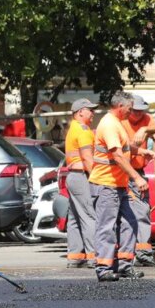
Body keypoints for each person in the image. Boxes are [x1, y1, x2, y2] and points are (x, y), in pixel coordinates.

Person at [90, 92, 150, 282]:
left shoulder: (117, 124)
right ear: (120, 107)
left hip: (118, 184)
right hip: (106, 184)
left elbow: (124, 147)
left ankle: (124, 265)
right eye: (130, 109)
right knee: (106, 227)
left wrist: (140, 151)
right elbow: (116, 155)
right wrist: (136, 177)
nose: (131, 113)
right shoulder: (109, 124)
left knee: (130, 222)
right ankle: (103, 267)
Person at [122, 93, 155, 266]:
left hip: (138, 171)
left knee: (142, 210)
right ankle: (137, 253)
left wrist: (147, 131)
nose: (139, 114)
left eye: (141, 111)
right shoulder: (121, 123)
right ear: (129, 109)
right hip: (126, 173)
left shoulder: (146, 119)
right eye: (135, 111)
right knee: (136, 212)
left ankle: (142, 251)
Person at [63, 98, 99, 268]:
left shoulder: (73, 128)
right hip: (81, 176)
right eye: (90, 110)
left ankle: (75, 256)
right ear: (80, 112)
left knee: (75, 218)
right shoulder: (83, 130)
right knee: (89, 216)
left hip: (73, 176)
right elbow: (87, 158)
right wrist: (96, 178)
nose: (93, 113)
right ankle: (94, 257)